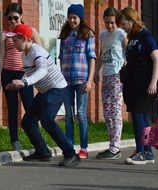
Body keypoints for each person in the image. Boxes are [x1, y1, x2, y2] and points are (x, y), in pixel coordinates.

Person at [5, 24, 80, 166]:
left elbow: (42, 71)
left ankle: (71, 155)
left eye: (15, 40)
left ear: (25, 39)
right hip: (46, 91)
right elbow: (32, 73)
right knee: (27, 122)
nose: (12, 42)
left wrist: (25, 83)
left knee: (47, 119)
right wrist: (18, 83)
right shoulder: (24, 54)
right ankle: (43, 152)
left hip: (57, 89)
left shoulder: (37, 52)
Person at [0, 2, 42, 150]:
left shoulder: (31, 31)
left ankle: (36, 141)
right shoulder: (4, 34)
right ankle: (15, 141)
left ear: (21, 16)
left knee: (30, 107)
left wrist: (38, 76)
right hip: (8, 73)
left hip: (25, 73)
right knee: (12, 108)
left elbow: (40, 53)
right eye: (9, 18)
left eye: (15, 18)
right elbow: (1, 57)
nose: (12, 21)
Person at [117, 7, 158, 165]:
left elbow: (156, 59)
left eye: (123, 23)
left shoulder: (145, 35)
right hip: (133, 84)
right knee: (141, 117)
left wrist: (154, 82)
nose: (122, 27)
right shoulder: (131, 37)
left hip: (145, 84)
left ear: (132, 20)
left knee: (138, 115)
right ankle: (147, 152)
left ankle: (142, 151)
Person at [58, 4, 96, 159]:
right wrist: (60, 78)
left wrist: (90, 80)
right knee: (68, 115)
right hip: (66, 80)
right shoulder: (65, 34)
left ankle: (84, 148)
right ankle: (69, 147)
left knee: (80, 113)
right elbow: (60, 58)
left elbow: (91, 58)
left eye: (75, 17)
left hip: (82, 79)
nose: (72, 20)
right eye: (70, 17)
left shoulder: (88, 34)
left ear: (80, 18)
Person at [94, 7, 128, 160]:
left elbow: (128, 51)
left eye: (113, 22)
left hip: (117, 75)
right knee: (107, 113)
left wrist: (126, 67)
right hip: (106, 75)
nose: (110, 26)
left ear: (117, 22)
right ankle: (111, 145)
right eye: (107, 23)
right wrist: (96, 71)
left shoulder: (121, 34)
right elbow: (101, 55)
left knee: (115, 111)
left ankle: (115, 147)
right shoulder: (102, 35)